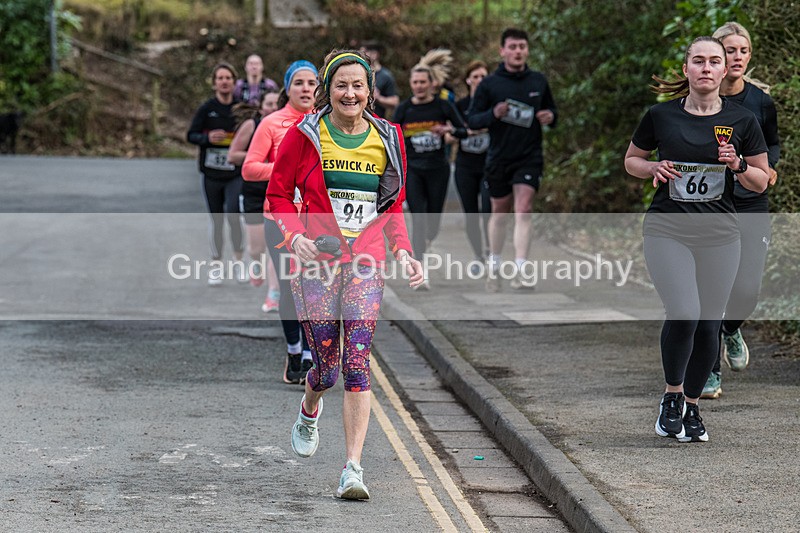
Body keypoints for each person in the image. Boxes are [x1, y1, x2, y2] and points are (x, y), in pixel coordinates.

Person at [267, 49, 423, 499]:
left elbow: (392, 206)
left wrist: (405, 251)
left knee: (357, 362)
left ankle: (352, 468)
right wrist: (294, 234)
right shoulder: (304, 135)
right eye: (341, 85)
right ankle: (309, 406)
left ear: (370, 91)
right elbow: (278, 194)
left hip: (366, 261)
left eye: (358, 85)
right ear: (326, 91)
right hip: (316, 260)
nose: (350, 93)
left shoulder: (388, 137)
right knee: (328, 368)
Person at [624, 36, 769, 443]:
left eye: (714, 62)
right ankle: (670, 399)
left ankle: (692, 406)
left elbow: (760, 180)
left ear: (725, 71)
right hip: (667, 229)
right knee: (684, 311)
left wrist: (738, 164)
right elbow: (631, 160)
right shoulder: (660, 116)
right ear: (686, 69)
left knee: (709, 323)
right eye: (698, 61)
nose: (706, 68)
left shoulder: (743, 121)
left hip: (720, 234)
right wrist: (652, 166)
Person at [701, 22, 781, 399]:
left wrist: (769, 168)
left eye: (743, 51)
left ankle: (731, 328)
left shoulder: (761, 101)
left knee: (747, 289)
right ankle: (710, 372)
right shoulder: (701, 98)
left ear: (750, 55)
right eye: (729, 51)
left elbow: (772, 144)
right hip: (713, 204)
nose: (736, 57)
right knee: (713, 289)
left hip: (750, 201)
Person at [242, 60, 319, 383]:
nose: (305, 88)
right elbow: (249, 168)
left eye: (312, 83)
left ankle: (308, 353)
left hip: (318, 220)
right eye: (298, 82)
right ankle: (294, 351)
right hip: (280, 218)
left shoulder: (326, 124)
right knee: (289, 286)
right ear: (287, 88)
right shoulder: (272, 123)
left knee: (315, 287)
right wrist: (285, 169)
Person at [467, 28, 557, 292]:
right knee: (499, 214)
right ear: (502, 51)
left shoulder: (538, 81)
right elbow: (472, 120)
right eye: (513, 47)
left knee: (524, 209)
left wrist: (550, 116)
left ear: (527, 50)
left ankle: (521, 269)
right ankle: (494, 266)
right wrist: (493, 114)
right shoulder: (489, 84)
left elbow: (553, 111)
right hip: (499, 158)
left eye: (522, 47)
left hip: (529, 157)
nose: (518, 51)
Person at [392, 56, 468, 280]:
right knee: (419, 219)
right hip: (413, 170)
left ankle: (426, 243)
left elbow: (462, 130)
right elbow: (392, 137)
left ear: (431, 83)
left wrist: (447, 129)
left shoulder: (443, 106)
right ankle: (420, 271)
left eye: (422, 82)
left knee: (432, 223)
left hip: (438, 169)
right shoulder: (404, 109)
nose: (418, 86)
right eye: (415, 82)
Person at [187, 62, 247, 285]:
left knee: (233, 215)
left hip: (235, 174)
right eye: (220, 78)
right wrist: (207, 138)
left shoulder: (242, 109)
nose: (224, 82)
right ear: (214, 83)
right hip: (211, 174)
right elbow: (190, 135)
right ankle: (216, 265)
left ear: (234, 82)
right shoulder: (206, 109)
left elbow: (254, 134)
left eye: (228, 78)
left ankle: (240, 263)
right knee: (217, 219)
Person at [227, 89, 282, 313]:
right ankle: (256, 266)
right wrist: (256, 154)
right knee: (256, 248)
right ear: (261, 107)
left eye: (275, 104)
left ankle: (273, 294)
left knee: (275, 246)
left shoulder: (284, 125)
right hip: (253, 191)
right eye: (268, 104)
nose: (272, 108)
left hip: (277, 193)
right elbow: (233, 155)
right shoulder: (252, 126)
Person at [454, 60, 491, 272]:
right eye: (475, 76)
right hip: (465, 166)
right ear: (468, 80)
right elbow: (452, 131)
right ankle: (478, 255)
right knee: (471, 214)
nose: (479, 80)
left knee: (488, 210)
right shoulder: (460, 106)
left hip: (488, 165)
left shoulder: (493, 106)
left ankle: (490, 250)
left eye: (483, 77)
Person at [359, 41, 399, 119]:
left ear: (374, 54)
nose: (360, 56)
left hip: (376, 121)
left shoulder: (385, 76)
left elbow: (395, 101)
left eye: (363, 53)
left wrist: (378, 98)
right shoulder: (357, 73)